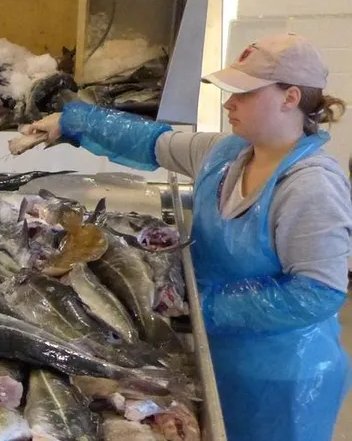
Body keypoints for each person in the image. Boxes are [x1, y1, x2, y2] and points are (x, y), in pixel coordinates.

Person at [24, 33, 351, 441]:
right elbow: (152, 141)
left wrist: (202, 307)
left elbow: (317, 292)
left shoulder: (311, 186)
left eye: (244, 95)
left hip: (282, 379)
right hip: (219, 355)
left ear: (290, 98)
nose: (229, 104)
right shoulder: (227, 154)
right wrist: (70, 121)